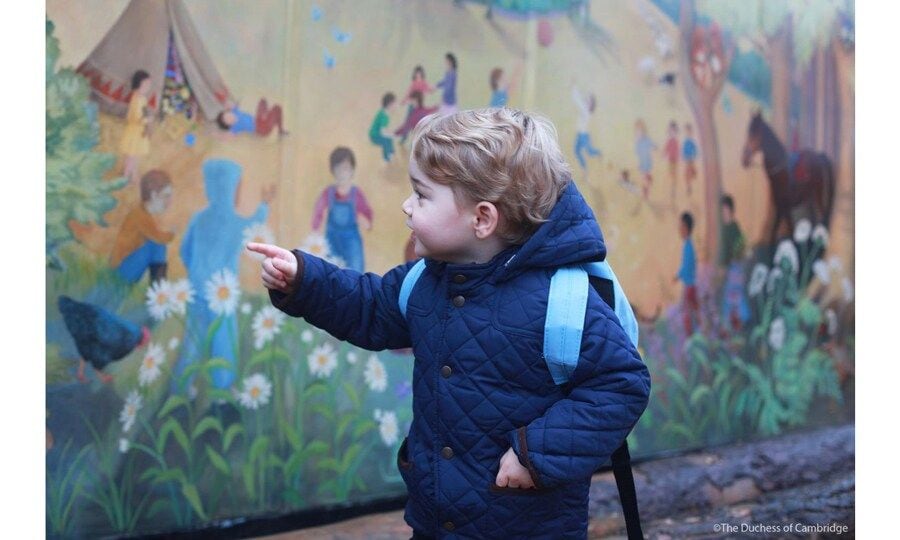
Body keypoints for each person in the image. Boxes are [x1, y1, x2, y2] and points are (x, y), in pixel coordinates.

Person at [248, 108, 650, 539]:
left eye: (421, 196)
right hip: (435, 519)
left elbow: (621, 385)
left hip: (525, 525)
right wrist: (305, 280)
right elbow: (370, 307)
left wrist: (538, 455)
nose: (406, 206)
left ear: (481, 219)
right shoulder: (427, 280)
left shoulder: (562, 301)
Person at [174, 158, 276, 393]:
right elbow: (254, 225)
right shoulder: (234, 223)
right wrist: (264, 204)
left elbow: (184, 250)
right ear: (231, 190)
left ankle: (181, 388)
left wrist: (196, 273)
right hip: (223, 294)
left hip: (197, 289)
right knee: (223, 339)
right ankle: (222, 388)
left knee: (194, 338)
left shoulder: (198, 219)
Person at [311, 147, 373, 272]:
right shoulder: (328, 193)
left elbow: (367, 213)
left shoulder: (356, 194)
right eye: (338, 169)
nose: (342, 172)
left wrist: (366, 221)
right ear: (333, 170)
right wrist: (316, 230)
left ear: (352, 170)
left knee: (355, 273)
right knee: (331, 273)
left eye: (346, 168)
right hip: (332, 240)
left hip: (352, 242)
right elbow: (318, 212)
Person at [110, 169, 175, 285]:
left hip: (124, 268)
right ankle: (158, 291)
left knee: (157, 245)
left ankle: (158, 291)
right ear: (154, 195)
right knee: (158, 245)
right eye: (166, 196)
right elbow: (158, 237)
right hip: (120, 272)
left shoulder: (143, 214)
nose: (169, 202)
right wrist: (172, 234)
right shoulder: (139, 215)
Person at [717, 195, 750, 332]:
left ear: (730, 210)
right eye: (722, 211)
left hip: (735, 267)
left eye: (725, 210)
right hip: (732, 267)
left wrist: (727, 266)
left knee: (733, 295)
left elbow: (738, 248)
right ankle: (739, 320)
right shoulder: (726, 228)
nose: (723, 213)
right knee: (733, 295)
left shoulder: (733, 228)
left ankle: (732, 323)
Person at [119, 70, 154, 185]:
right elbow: (135, 117)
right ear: (138, 84)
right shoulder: (136, 99)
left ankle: (134, 175)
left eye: (149, 85)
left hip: (139, 132)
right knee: (131, 156)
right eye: (145, 85)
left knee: (136, 156)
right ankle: (125, 176)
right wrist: (147, 120)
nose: (148, 87)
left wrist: (147, 121)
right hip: (134, 132)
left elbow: (143, 113)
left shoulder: (142, 98)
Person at [674, 211, 700, 336]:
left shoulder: (688, 246)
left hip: (690, 285)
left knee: (688, 311)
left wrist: (678, 276)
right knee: (693, 309)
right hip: (691, 284)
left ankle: (691, 334)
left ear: (687, 228)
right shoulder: (688, 245)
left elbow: (687, 266)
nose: (680, 230)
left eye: (682, 227)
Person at [215, 98, 288, 137]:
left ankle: (280, 130)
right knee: (276, 108)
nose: (229, 117)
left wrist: (225, 102)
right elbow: (228, 135)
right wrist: (216, 135)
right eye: (227, 120)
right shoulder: (235, 128)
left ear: (229, 111)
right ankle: (269, 119)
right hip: (260, 130)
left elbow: (231, 103)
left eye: (228, 114)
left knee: (263, 101)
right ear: (229, 125)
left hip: (260, 121)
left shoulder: (235, 111)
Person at [572, 82, 602, 172]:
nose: (586, 101)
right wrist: (575, 89)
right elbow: (579, 101)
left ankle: (599, 153)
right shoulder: (584, 109)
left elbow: (578, 101)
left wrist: (574, 88)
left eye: (589, 100)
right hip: (579, 135)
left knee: (589, 151)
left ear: (591, 104)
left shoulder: (586, 112)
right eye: (587, 99)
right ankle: (584, 169)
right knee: (577, 151)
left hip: (584, 135)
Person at [369, 92, 397, 162]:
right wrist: (392, 135)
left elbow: (383, 128)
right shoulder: (385, 117)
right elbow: (383, 132)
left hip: (376, 133)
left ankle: (391, 151)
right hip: (374, 136)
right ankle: (386, 158)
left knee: (389, 139)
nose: (396, 105)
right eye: (394, 104)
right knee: (386, 142)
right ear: (389, 105)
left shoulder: (383, 111)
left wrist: (390, 134)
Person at [635, 119, 657, 200]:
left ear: (643, 131)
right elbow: (638, 152)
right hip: (642, 163)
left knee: (644, 178)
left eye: (640, 131)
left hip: (647, 162)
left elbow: (652, 144)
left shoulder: (646, 139)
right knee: (643, 177)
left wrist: (655, 147)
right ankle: (648, 181)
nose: (638, 133)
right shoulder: (638, 142)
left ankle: (645, 192)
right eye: (637, 132)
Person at [663, 120, 680, 203]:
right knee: (671, 174)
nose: (672, 132)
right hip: (671, 160)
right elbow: (666, 149)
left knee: (673, 174)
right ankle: (671, 187)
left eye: (673, 131)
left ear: (675, 131)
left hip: (675, 160)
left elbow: (677, 150)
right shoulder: (669, 141)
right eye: (670, 131)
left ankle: (673, 188)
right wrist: (664, 155)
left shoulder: (675, 141)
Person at [682, 122, 698, 196]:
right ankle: (689, 186)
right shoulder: (685, 141)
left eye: (689, 131)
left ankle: (690, 185)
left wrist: (694, 156)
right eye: (687, 131)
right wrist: (683, 157)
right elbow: (683, 150)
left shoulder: (692, 141)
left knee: (691, 173)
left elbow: (695, 150)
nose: (688, 133)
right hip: (687, 159)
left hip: (691, 159)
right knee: (687, 174)